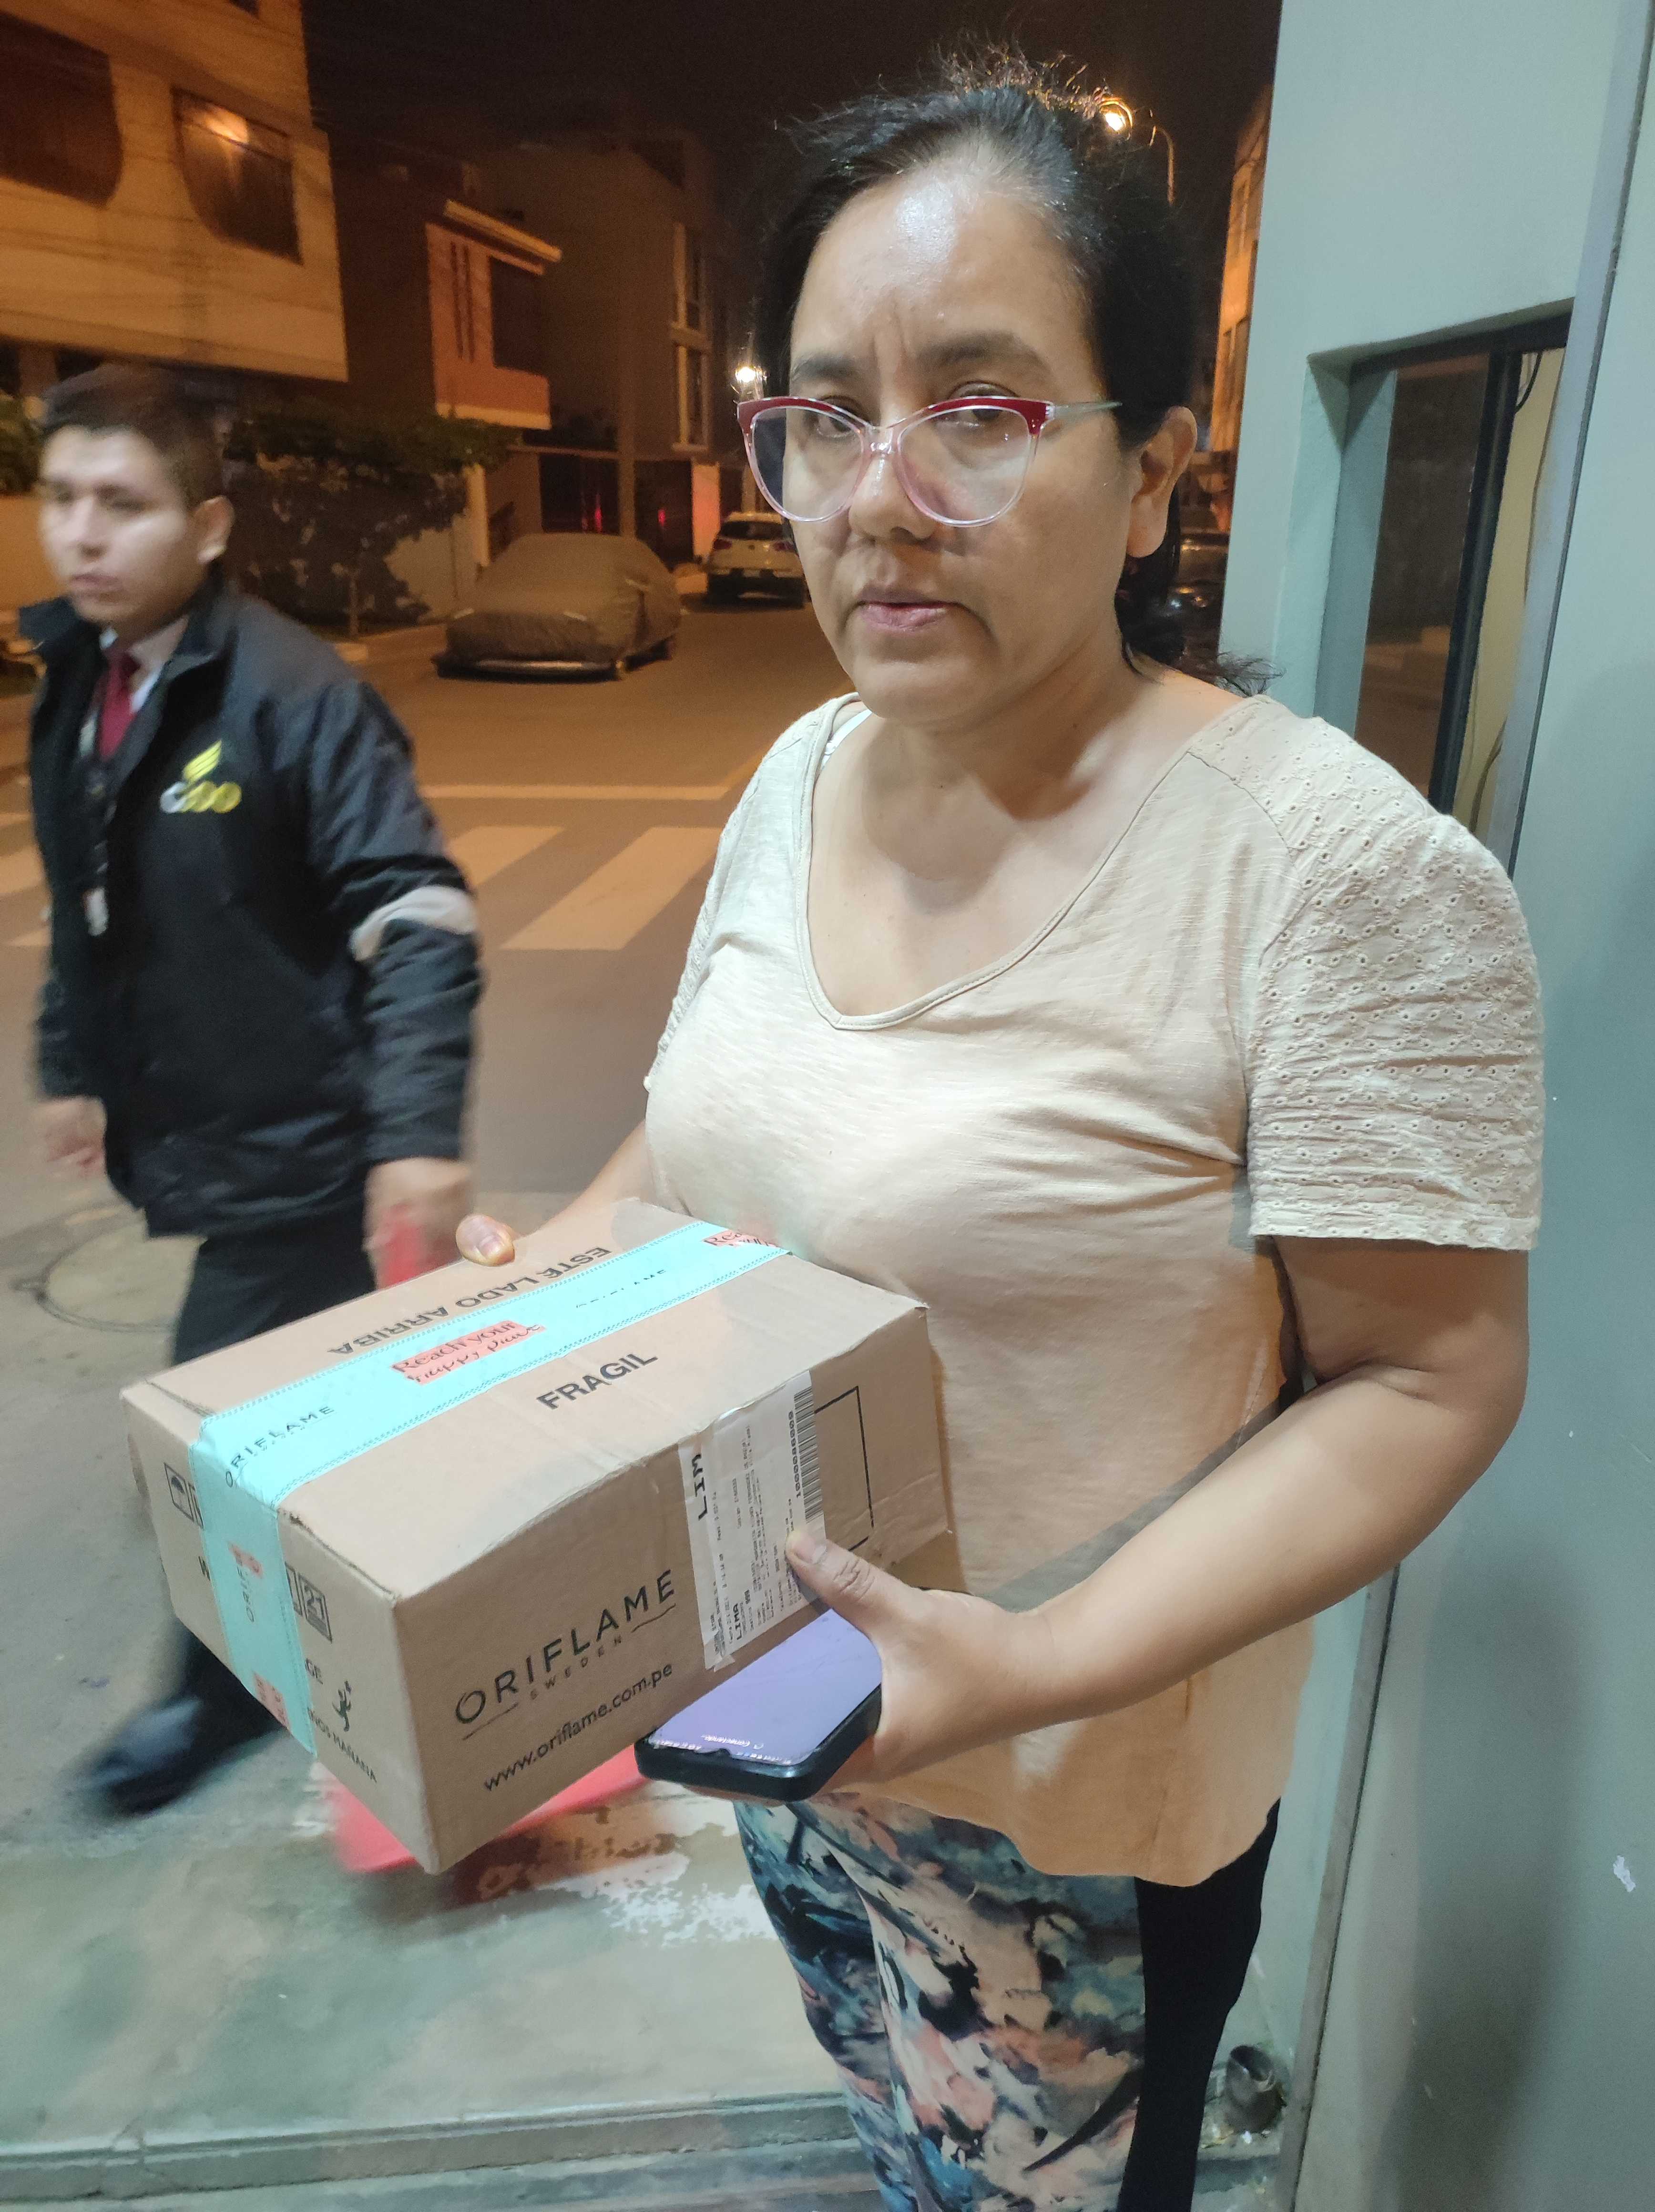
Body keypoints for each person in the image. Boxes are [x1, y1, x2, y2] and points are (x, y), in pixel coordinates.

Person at [459, 55, 1543, 2212]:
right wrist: (523, 1307)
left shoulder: (1331, 878)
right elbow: (685, 1148)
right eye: (825, 411)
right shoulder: (802, 772)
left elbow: (1429, 1381)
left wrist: (1033, 1660)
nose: (879, 491)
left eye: (977, 407)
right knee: (895, 2151)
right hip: (787, 1718)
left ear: (1153, 476)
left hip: (1073, 1814)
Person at [27, 364, 481, 1817]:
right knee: (321, 1414)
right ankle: (400, 1602)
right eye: (61, 498)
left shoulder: (291, 693)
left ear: (209, 525)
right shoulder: (84, 675)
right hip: (206, 1132)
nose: (82, 532)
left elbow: (416, 909)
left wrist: (415, 1135)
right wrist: (71, 1064)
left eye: (123, 503)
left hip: (303, 1146)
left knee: (220, 1439)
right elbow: (89, 899)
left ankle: (216, 1698)